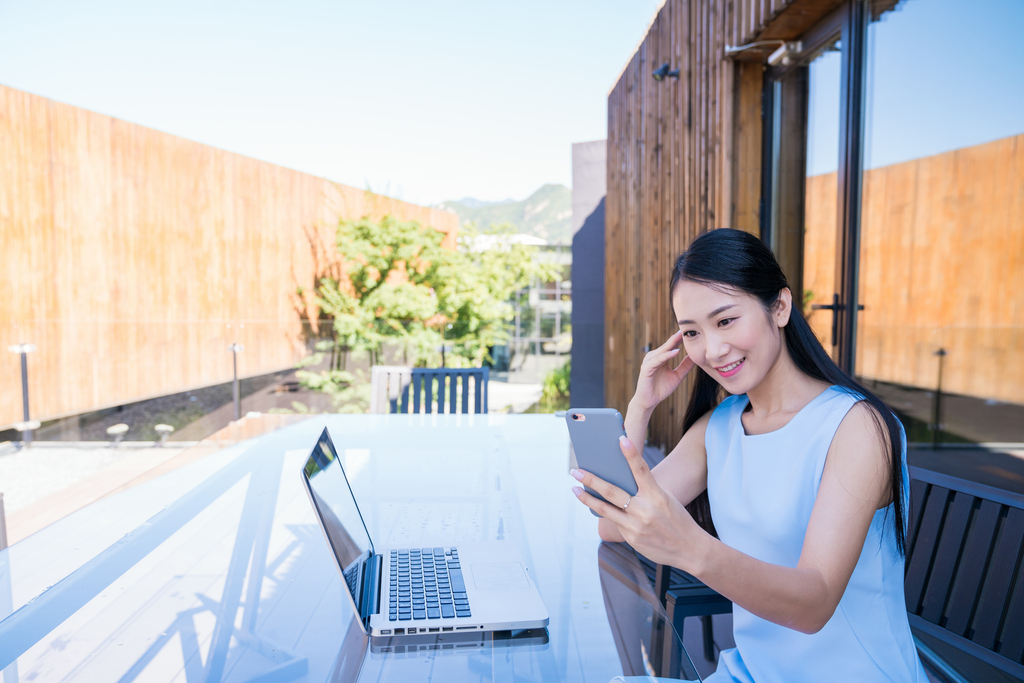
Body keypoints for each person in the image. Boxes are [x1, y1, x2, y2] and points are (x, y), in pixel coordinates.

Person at [572, 229, 928, 682]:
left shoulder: (856, 428)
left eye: (726, 321)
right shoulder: (720, 426)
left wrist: (689, 547)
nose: (713, 350)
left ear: (779, 307)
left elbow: (814, 604)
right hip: (753, 672)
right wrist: (641, 406)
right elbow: (614, 525)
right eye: (692, 333)